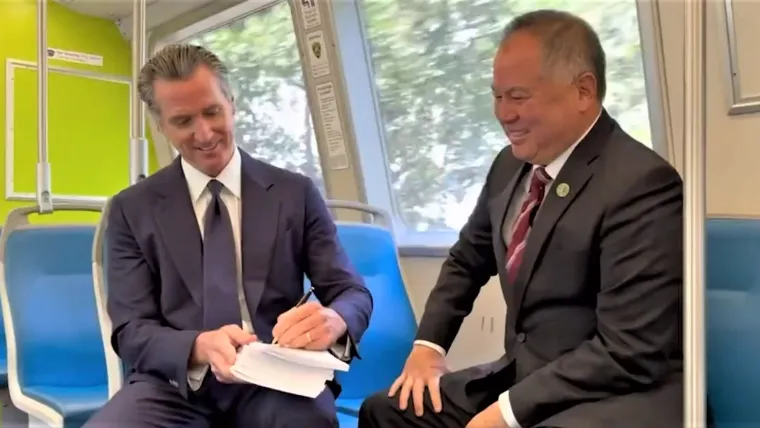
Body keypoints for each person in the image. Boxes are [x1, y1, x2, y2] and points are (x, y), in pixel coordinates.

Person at [358, 9, 684, 428]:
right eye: (497, 96)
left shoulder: (641, 183)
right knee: (388, 412)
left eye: (518, 96)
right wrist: (428, 347)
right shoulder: (510, 167)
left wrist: (505, 413)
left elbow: (627, 350)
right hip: (526, 376)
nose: (503, 114)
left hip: (619, 392)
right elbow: (466, 261)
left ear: (584, 91)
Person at [85, 44, 373, 427]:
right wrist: (198, 346)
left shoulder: (294, 194)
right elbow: (131, 330)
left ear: (232, 103)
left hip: (278, 380)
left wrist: (334, 320)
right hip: (174, 385)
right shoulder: (130, 209)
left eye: (212, 112)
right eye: (183, 121)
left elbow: (351, 293)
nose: (204, 134)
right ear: (161, 125)